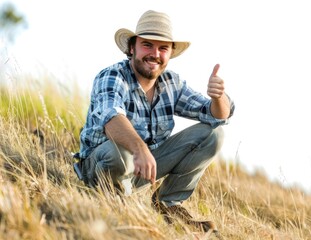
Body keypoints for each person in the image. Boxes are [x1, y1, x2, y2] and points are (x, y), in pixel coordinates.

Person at [77, 10, 235, 232]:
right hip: (101, 166)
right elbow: (110, 118)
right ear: (132, 47)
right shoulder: (112, 76)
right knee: (121, 155)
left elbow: (218, 115)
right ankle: (114, 200)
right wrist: (140, 149)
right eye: (147, 45)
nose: (155, 54)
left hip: (143, 169)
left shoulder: (172, 84)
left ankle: (168, 205)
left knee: (213, 134)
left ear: (170, 53)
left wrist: (219, 97)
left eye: (163, 48)